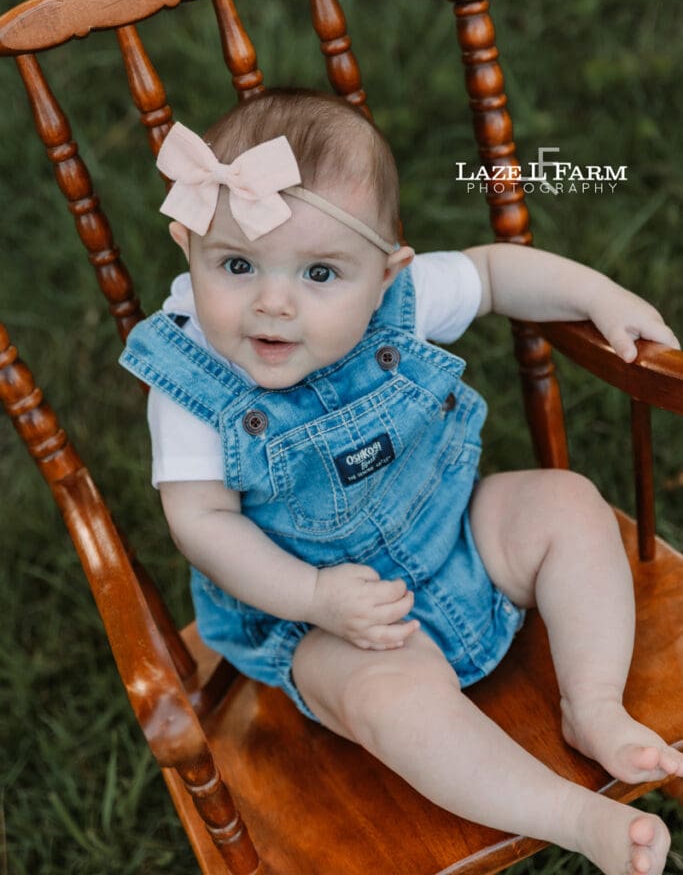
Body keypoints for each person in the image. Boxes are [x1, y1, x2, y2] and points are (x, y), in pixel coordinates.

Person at [120, 89, 682, 875]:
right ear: (188, 246)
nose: (272, 303)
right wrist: (315, 598)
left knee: (564, 503)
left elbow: (494, 273)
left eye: (319, 272)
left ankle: (592, 706)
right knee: (385, 698)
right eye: (237, 265)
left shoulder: (400, 304)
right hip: (321, 623)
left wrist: (598, 296)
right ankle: (570, 815)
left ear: (386, 276)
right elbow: (202, 523)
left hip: (456, 537)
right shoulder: (190, 385)